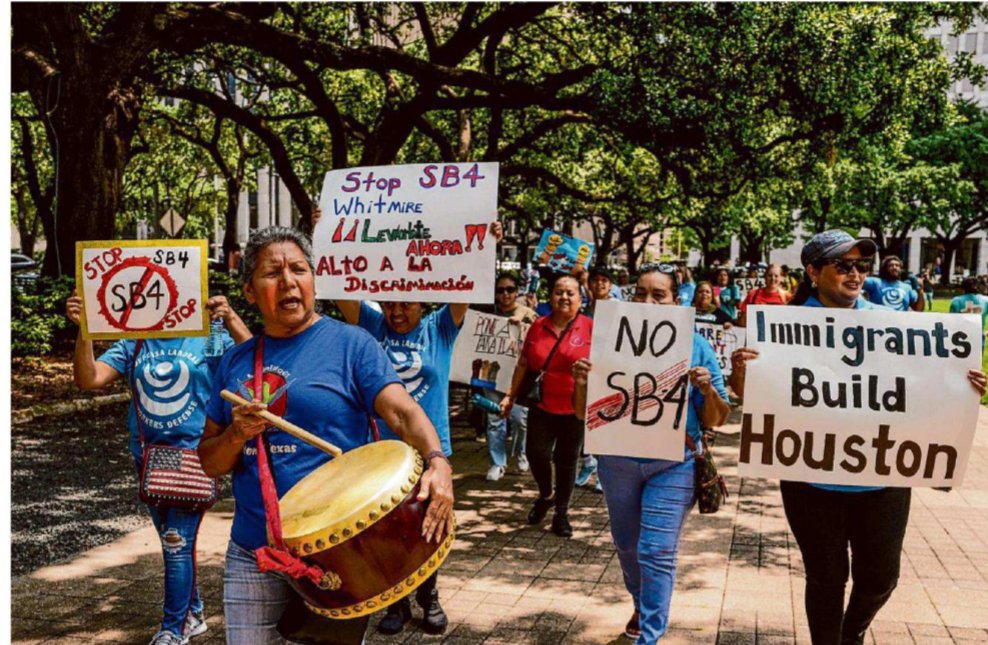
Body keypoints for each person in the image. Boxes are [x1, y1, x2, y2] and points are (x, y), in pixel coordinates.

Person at [729, 230, 987, 645]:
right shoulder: (783, 327)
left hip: (881, 478)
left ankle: (852, 633)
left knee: (882, 578)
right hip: (810, 479)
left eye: (861, 266)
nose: (856, 274)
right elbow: (753, 396)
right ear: (813, 272)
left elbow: (923, 387)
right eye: (843, 265)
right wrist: (742, 371)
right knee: (827, 578)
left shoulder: (893, 325)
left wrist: (962, 385)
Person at [198, 227, 454, 644]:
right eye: (271, 273)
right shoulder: (235, 361)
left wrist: (438, 461)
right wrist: (235, 435)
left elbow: (403, 413)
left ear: (314, 280)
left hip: (339, 550)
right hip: (254, 549)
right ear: (248, 290)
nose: (288, 281)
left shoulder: (352, 344)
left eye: (298, 269)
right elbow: (209, 462)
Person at [333, 221, 502, 635]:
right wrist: (327, 235)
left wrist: (486, 245)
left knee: (430, 523)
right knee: (387, 528)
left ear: (423, 302)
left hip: (430, 447)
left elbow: (466, 284)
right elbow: (340, 288)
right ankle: (397, 603)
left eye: (406, 303)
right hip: (380, 449)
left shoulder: (441, 328)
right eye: (390, 303)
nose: (397, 311)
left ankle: (429, 596)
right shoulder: (372, 327)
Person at [65, 290, 251, 645]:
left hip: (194, 456)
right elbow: (88, 379)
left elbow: (253, 358)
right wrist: (85, 329)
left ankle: (173, 627)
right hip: (148, 457)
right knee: (173, 544)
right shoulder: (136, 341)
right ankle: (193, 613)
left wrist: (229, 317)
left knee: (176, 541)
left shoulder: (206, 334)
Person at [570, 263, 730, 642]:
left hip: (673, 463)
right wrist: (581, 384)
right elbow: (582, 412)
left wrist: (707, 391)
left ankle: (651, 634)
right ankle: (643, 606)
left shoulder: (697, 345)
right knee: (627, 546)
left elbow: (719, 417)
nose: (648, 300)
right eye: (641, 293)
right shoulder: (608, 340)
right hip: (617, 462)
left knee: (655, 550)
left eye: (659, 295)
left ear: (676, 301)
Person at [500, 273, 593, 538]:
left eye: (570, 293)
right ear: (550, 296)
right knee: (536, 454)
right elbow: (523, 364)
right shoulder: (538, 326)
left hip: (575, 408)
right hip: (542, 405)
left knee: (566, 461)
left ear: (580, 298)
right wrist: (510, 395)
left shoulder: (590, 327)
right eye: (558, 292)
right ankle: (546, 494)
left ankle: (561, 513)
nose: (564, 297)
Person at [482, 273, 537, 481]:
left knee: (520, 419)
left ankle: (521, 452)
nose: (505, 294)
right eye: (500, 290)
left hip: (519, 376)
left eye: (510, 289)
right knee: (494, 419)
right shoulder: (487, 313)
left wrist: (522, 328)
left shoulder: (528, 314)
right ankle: (498, 463)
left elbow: (540, 340)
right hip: (492, 375)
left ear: (517, 291)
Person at [950, 276, 988, 351]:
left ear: (963, 288)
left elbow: (951, 322)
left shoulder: (956, 301)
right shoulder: (986, 300)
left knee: (959, 362)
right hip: (979, 336)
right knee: (976, 362)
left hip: (959, 337)